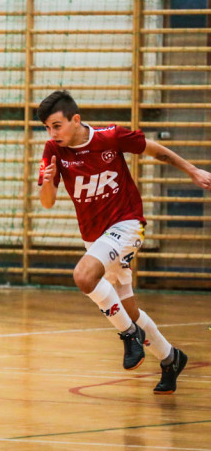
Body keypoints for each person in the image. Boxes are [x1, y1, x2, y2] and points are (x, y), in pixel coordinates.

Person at [37, 90, 211, 394]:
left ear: (75, 120)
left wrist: (193, 170)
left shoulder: (109, 137)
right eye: (47, 128)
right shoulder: (53, 150)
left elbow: (155, 150)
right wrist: (49, 179)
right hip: (95, 237)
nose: (52, 133)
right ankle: (171, 358)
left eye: (57, 125)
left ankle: (130, 336)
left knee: (83, 275)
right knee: (128, 310)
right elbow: (47, 203)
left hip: (127, 223)